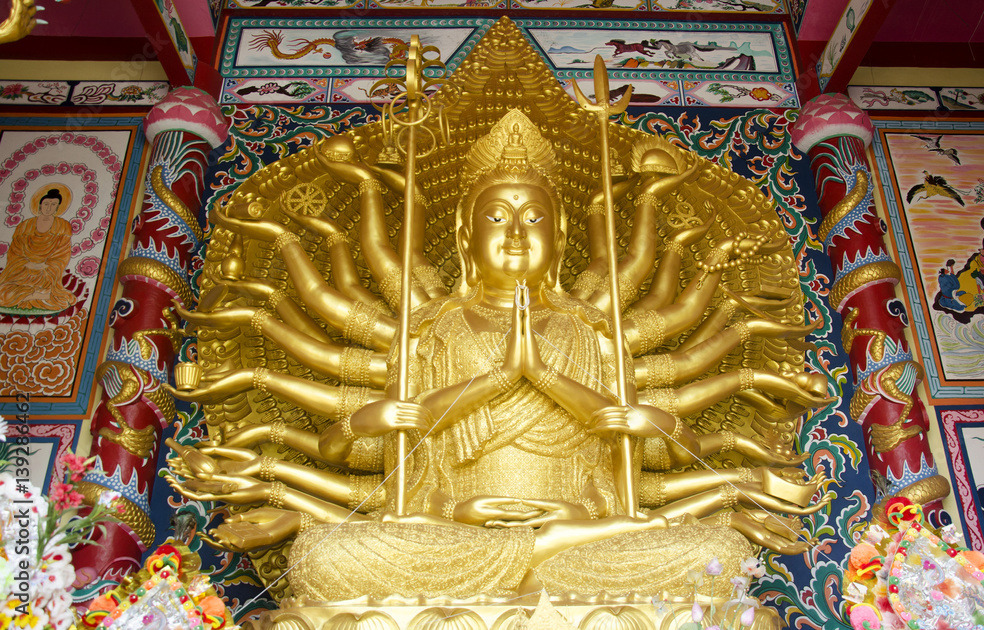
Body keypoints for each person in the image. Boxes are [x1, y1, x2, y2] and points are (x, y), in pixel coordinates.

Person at [167, 111, 832, 601]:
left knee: (714, 551)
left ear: (564, 230)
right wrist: (387, 416)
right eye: (497, 217)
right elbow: (342, 445)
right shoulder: (426, 329)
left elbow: (676, 440)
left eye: (534, 217)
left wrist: (567, 388)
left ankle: (540, 563)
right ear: (463, 233)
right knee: (326, 555)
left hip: (588, 541)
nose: (516, 232)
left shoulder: (595, 334)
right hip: (446, 539)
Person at [0, 184, 76, 312]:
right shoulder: (25, 226)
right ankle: (37, 296)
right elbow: (15, 251)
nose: (49, 208)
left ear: (58, 207)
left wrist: (46, 266)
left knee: (59, 297)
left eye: (53, 205)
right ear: (40, 205)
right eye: (46, 204)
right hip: (22, 272)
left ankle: (36, 295)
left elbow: (62, 254)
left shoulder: (62, 226)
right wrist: (27, 264)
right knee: (2, 292)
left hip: (46, 273)